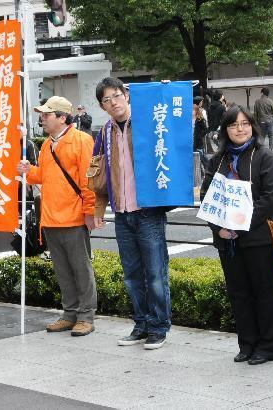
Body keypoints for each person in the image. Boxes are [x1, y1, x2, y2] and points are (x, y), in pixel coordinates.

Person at [92, 77, 172, 350]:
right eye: (106, 99)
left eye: (116, 95)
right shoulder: (104, 132)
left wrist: (165, 91)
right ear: (102, 106)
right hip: (123, 212)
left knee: (155, 273)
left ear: (126, 95)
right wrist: (99, 209)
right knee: (132, 275)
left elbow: (173, 130)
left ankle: (159, 326)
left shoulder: (148, 122)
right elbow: (98, 173)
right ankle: (141, 324)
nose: (113, 102)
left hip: (148, 211)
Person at [200, 106, 273, 365]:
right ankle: (247, 344)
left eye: (245, 123)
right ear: (225, 130)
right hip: (228, 242)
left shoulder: (264, 156)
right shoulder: (218, 160)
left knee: (263, 293)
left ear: (253, 126)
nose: (240, 129)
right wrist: (219, 228)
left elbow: (269, 199)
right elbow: (206, 198)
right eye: (234, 125)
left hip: (257, 239)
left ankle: (268, 347)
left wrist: (241, 223)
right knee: (239, 294)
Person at [16, 96, 97, 337]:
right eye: (42, 114)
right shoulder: (46, 144)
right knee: (63, 270)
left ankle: (85, 316)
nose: (42, 117)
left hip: (73, 218)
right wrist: (29, 172)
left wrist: (90, 212)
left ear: (62, 117)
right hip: (50, 218)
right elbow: (47, 177)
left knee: (80, 269)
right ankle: (70, 313)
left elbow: (88, 181)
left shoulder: (82, 141)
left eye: (47, 114)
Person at [193, 96, 208, 171]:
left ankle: (208, 172)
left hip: (198, 142)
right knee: (199, 159)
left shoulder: (199, 118)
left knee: (202, 158)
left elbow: (205, 129)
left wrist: (199, 136)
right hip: (192, 143)